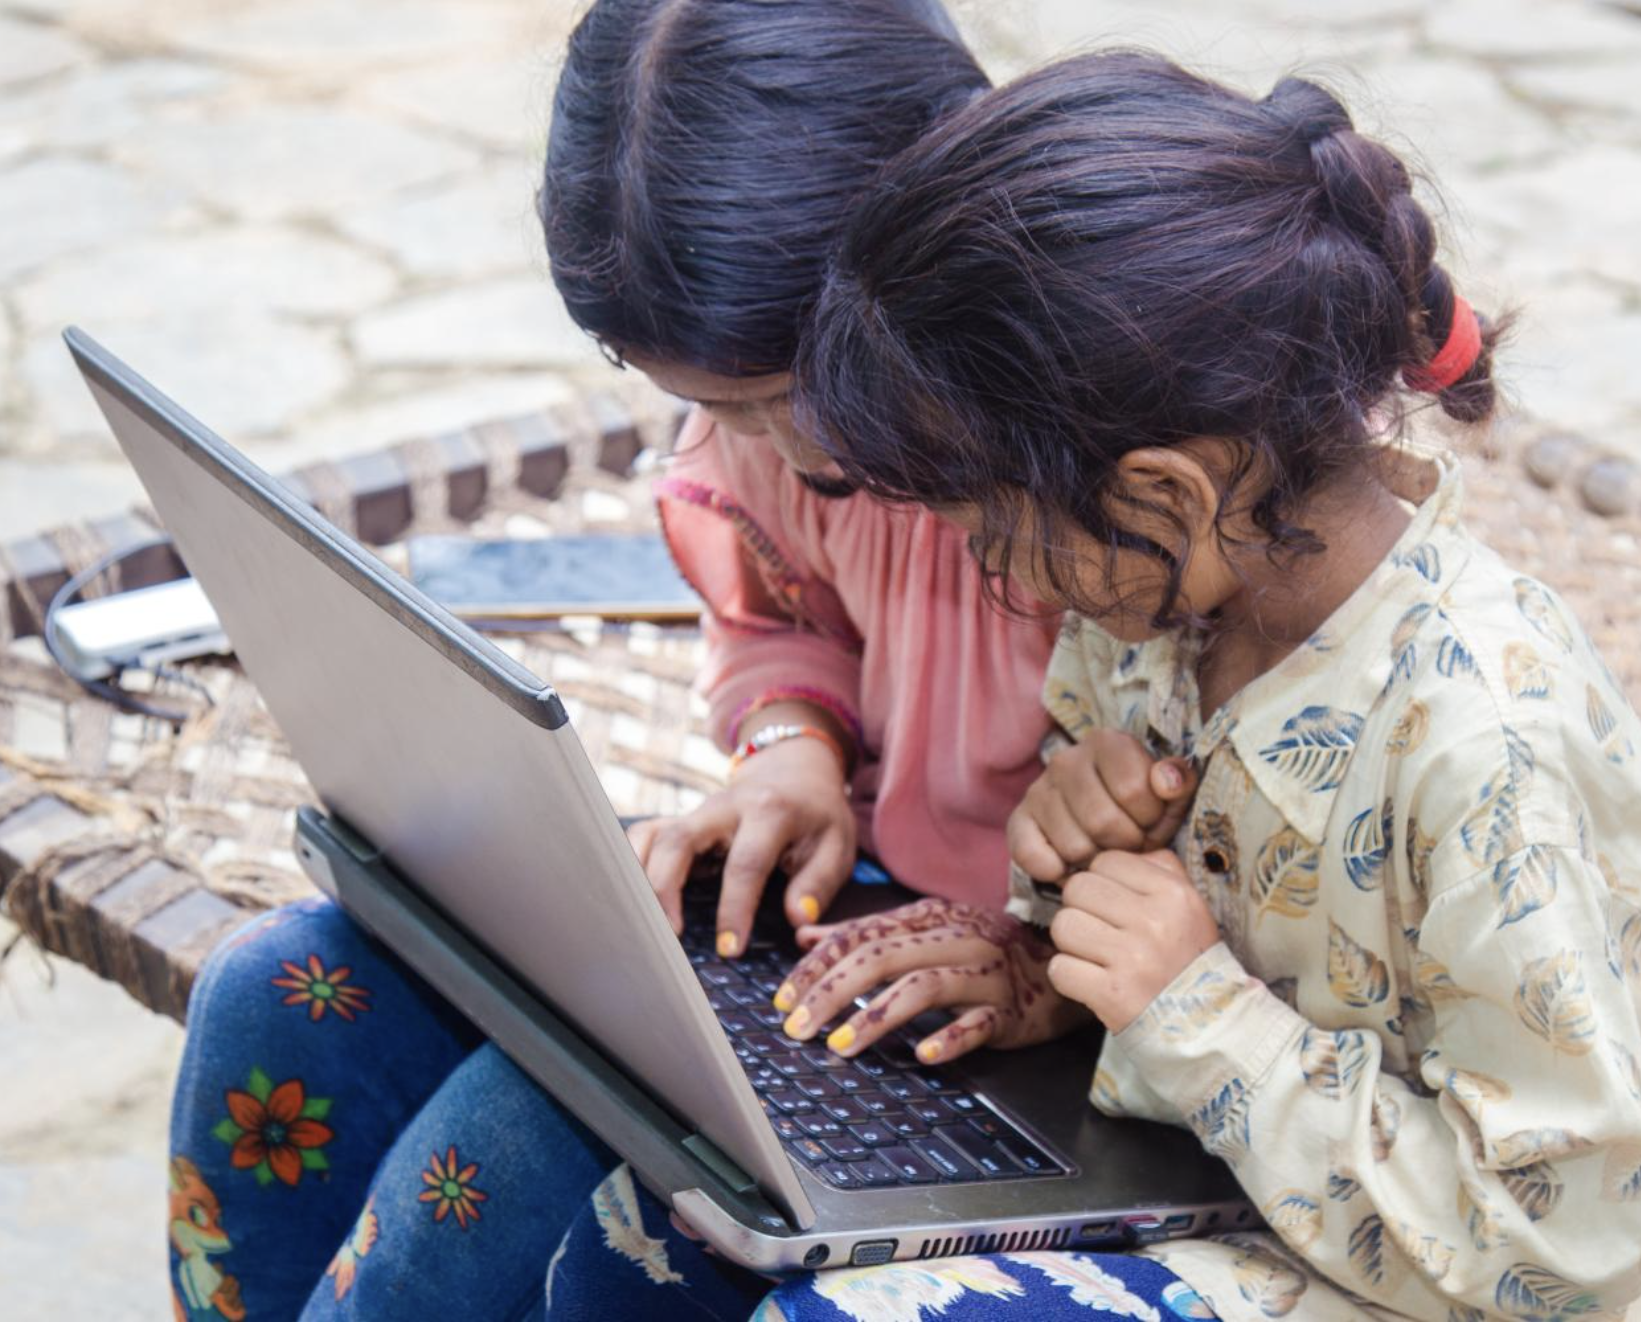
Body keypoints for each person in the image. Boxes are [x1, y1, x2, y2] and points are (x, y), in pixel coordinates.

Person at [735, 51, 1641, 1320]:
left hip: (1449, 1281)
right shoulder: (1156, 606)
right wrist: (1057, 939)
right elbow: (1196, 936)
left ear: (1164, 491)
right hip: (1230, 1171)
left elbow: (1568, 1246)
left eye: (983, 520)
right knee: (676, 1216)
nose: (981, 562)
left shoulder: (1480, 743)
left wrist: (1193, 1009)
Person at [164, 4, 1076, 1317]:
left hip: (1040, 1024)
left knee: (515, 1147)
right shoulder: (797, 418)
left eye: (780, 396)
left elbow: (1268, 848)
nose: (780, 451)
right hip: (855, 914)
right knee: (275, 995)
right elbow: (779, 610)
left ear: (931, 257)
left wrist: (1042, 962)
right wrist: (794, 749)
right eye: (718, 410)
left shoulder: (1123, 474)